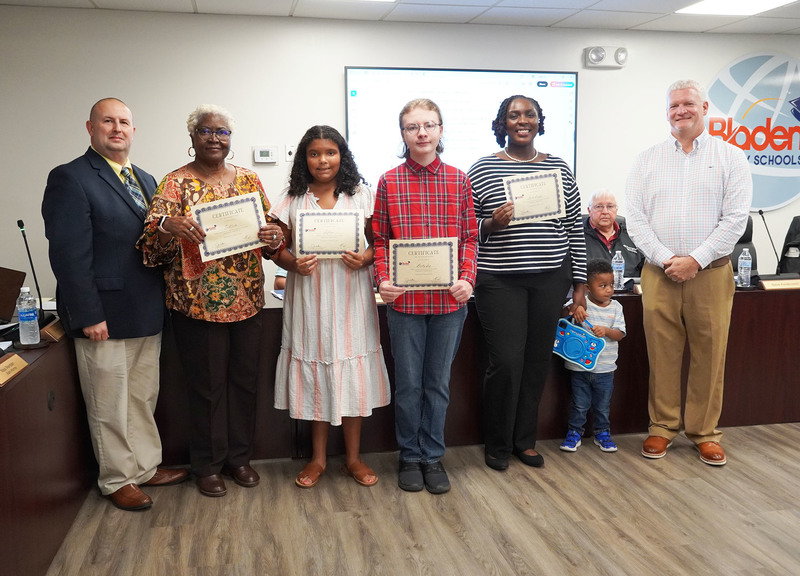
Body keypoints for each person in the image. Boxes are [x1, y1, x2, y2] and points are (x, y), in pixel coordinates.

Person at [41, 98, 187, 511]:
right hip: (102, 315)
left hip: (145, 309)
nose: (117, 128)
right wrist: (88, 314)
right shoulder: (70, 178)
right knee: (109, 401)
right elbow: (69, 255)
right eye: (108, 121)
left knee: (141, 397)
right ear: (90, 127)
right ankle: (117, 478)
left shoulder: (144, 178)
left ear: (134, 131)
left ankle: (144, 467)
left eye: (124, 122)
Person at [137, 104, 284, 496]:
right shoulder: (175, 183)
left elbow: (270, 232)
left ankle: (240, 459)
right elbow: (150, 245)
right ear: (192, 138)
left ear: (230, 139)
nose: (215, 138)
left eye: (222, 132)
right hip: (196, 306)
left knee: (244, 384)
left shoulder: (249, 179)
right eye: (206, 131)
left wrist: (273, 237)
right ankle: (207, 465)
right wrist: (170, 226)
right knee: (206, 389)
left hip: (248, 299)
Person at [626, 80, 752, 466]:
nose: (681, 110)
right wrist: (668, 258)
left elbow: (735, 222)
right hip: (659, 273)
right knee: (661, 354)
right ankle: (662, 427)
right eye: (674, 105)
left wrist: (695, 259)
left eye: (688, 104)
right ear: (667, 111)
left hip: (711, 273)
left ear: (704, 107)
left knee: (710, 355)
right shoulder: (647, 160)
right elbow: (636, 219)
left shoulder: (731, 157)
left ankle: (704, 433)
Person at [468, 94, 587, 472]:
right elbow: (466, 229)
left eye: (530, 114)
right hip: (499, 281)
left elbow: (573, 230)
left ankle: (524, 441)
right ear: (501, 123)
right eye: (514, 115)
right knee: (505, 362)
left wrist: (579, 284)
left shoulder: (558, 169)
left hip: (550, 279)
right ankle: (498, 443)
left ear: (539, 121)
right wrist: (491, 224)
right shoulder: (482, 169)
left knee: (536, 362)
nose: (523, 120)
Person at [271, 125, 391, 489]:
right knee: (316, 377)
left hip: (352, 296)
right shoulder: (292, 198)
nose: (323, 160)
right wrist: (291, 263)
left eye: (331, 152)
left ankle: (353, 458)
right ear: (304, 159)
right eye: (314, 153)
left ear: (342, 155)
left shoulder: (361, 195)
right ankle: (318, 459)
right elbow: (274, 246)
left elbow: (381, 242)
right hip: (308, 298)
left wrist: (367, 258)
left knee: (352, 375)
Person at [373, 98, 478, 494]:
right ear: (403, 134)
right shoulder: (388, 181)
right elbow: (380, 240)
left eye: (429, 125)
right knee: (408, 386)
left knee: (437, 384)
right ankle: (409, 455)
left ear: (440, 130)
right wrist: (383, 279)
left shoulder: (458, 179)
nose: (421, 133)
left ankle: (432, 455)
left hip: (450, 303)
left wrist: (467, 278)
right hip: (404, 304)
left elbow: (470, 237)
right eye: (413, 127)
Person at [559, 259, 626, 453]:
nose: (609, 290)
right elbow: (562, 316)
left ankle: (602, 433)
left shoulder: (616, 307)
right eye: (603, 285)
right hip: (579, 368)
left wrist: (606, 331)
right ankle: (574, 433)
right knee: (579, 405)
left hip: (605, 369)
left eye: (611, 285)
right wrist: (575, 307)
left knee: (602, 406)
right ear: (588, 288)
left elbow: (620, 334)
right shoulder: (582, 303)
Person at [583, 189, 643, 278]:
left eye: (610, 206)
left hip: (631, 290)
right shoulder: (577, 236)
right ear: (589, 210)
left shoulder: (632, 234)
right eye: (599, 207)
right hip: (590, 290)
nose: (605, 211)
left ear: (616, 210)